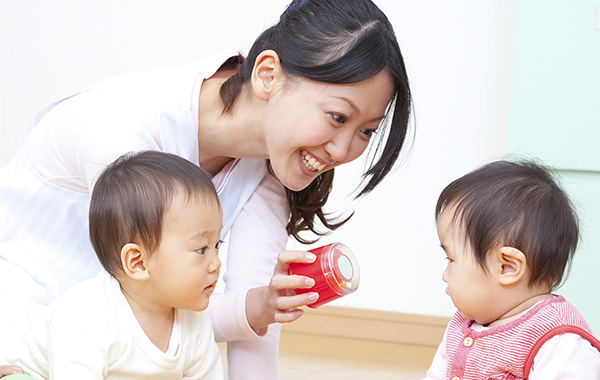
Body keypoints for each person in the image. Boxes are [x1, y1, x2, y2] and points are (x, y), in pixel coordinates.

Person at [0, 0, 412, 378]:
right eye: (338, 117)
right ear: (267, 75)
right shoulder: (123, 130)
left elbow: (240, 333)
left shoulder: (266, 165)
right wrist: (254, 306)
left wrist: (264, 306)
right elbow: (151, 300)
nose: (342, 151)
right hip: (21, 331)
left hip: (117, 345)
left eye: (366, 132)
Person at [0, 151, 224, 379]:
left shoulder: (196, 328)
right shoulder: (87, 315)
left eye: (217, 244)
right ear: (138, 262)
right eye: (201, 249)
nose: (216, 262)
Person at [423, 160, 600, 379]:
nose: (444, 275)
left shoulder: (559, 343)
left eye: (451, 259)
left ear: (507, 267)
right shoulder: (462, 327)